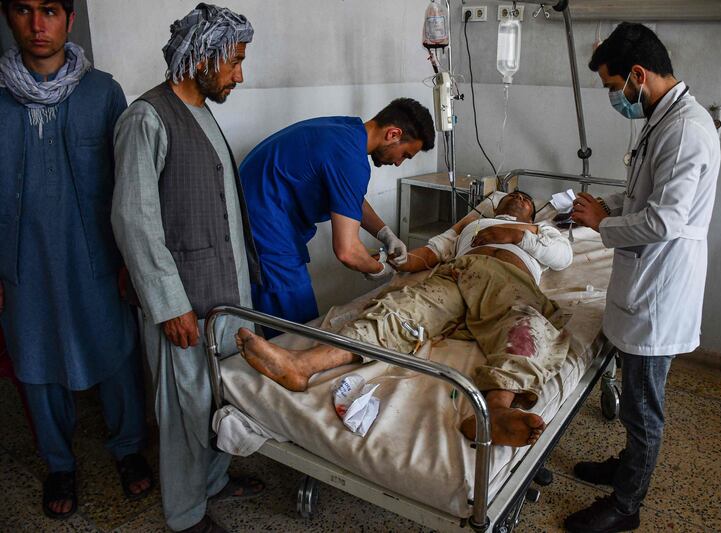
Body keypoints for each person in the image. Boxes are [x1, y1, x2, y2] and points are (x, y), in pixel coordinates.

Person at [236, 191, 574, 447]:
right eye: (511, 196)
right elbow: (429, 254)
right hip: (458, 273)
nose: (516, 198)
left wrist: (517, 234)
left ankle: (495, 411)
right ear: (496, 207)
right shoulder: (474, 224)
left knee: (527, 334)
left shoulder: (543, 231)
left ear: (532, 211)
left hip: (510, 284)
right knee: (400, 310)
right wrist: (391, 260)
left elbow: (561, 258)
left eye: (524, 198)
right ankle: (303, 365)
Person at [111, 4, 265, 532]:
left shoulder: (201, 110)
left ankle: (215, 481)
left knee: (220, 396)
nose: (239, 74)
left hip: (223, 295)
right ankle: (184, 513)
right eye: (234, 62)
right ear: (202, 56)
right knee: (182, 409)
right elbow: (134, 218)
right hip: (184, 302)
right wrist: (169, 304)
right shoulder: (146, 118)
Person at [566, 22, 721, 533]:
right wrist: (603, 205)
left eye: (615, 88)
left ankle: (626, 506)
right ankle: (625, 467)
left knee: (645, 406)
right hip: (644, 277)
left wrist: (600, 223)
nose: (617, 98)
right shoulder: (664, 120)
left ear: (637, 74)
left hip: (661, 287)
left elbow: (663, 221)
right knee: (636, 398)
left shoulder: (685, 130)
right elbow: (644, 197)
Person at [0, 0, 152, 520]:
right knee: (36, 363)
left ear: (68, 18)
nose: (37, 24)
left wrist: (132, 259)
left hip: (95, 260)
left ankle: (129, 450)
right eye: (23, 10)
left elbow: (131, 185)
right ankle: (59, 463)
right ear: (7, 16)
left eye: (49, 10)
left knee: (114, 351)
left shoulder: (102, 92)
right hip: (21, 265)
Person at [238, 98, 435, 336]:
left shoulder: (347, 132)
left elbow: (348, 196)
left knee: (283, 324)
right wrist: (382, 269)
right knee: (296, 335)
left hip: (256, 220)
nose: (398, 162)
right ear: (393, 134)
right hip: (266, 233)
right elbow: (347, 252)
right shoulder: (350, 158)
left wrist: (385, 233)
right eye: (405, 154)